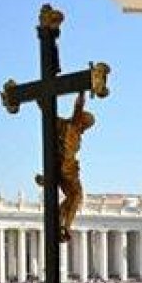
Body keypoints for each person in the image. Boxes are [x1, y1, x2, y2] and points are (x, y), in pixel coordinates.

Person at [35, 91, 95, 242]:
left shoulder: (61, 124)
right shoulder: (73, 125)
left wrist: (38, 96)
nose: (86, 128)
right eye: (87, 124)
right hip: (67, 167)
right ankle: (65, 224)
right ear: (82, 121)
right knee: (76, 195)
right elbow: (78, 107)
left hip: (56, 167)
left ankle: (60, 219)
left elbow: (47, 113)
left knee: (72, 196)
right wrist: (82, 91)